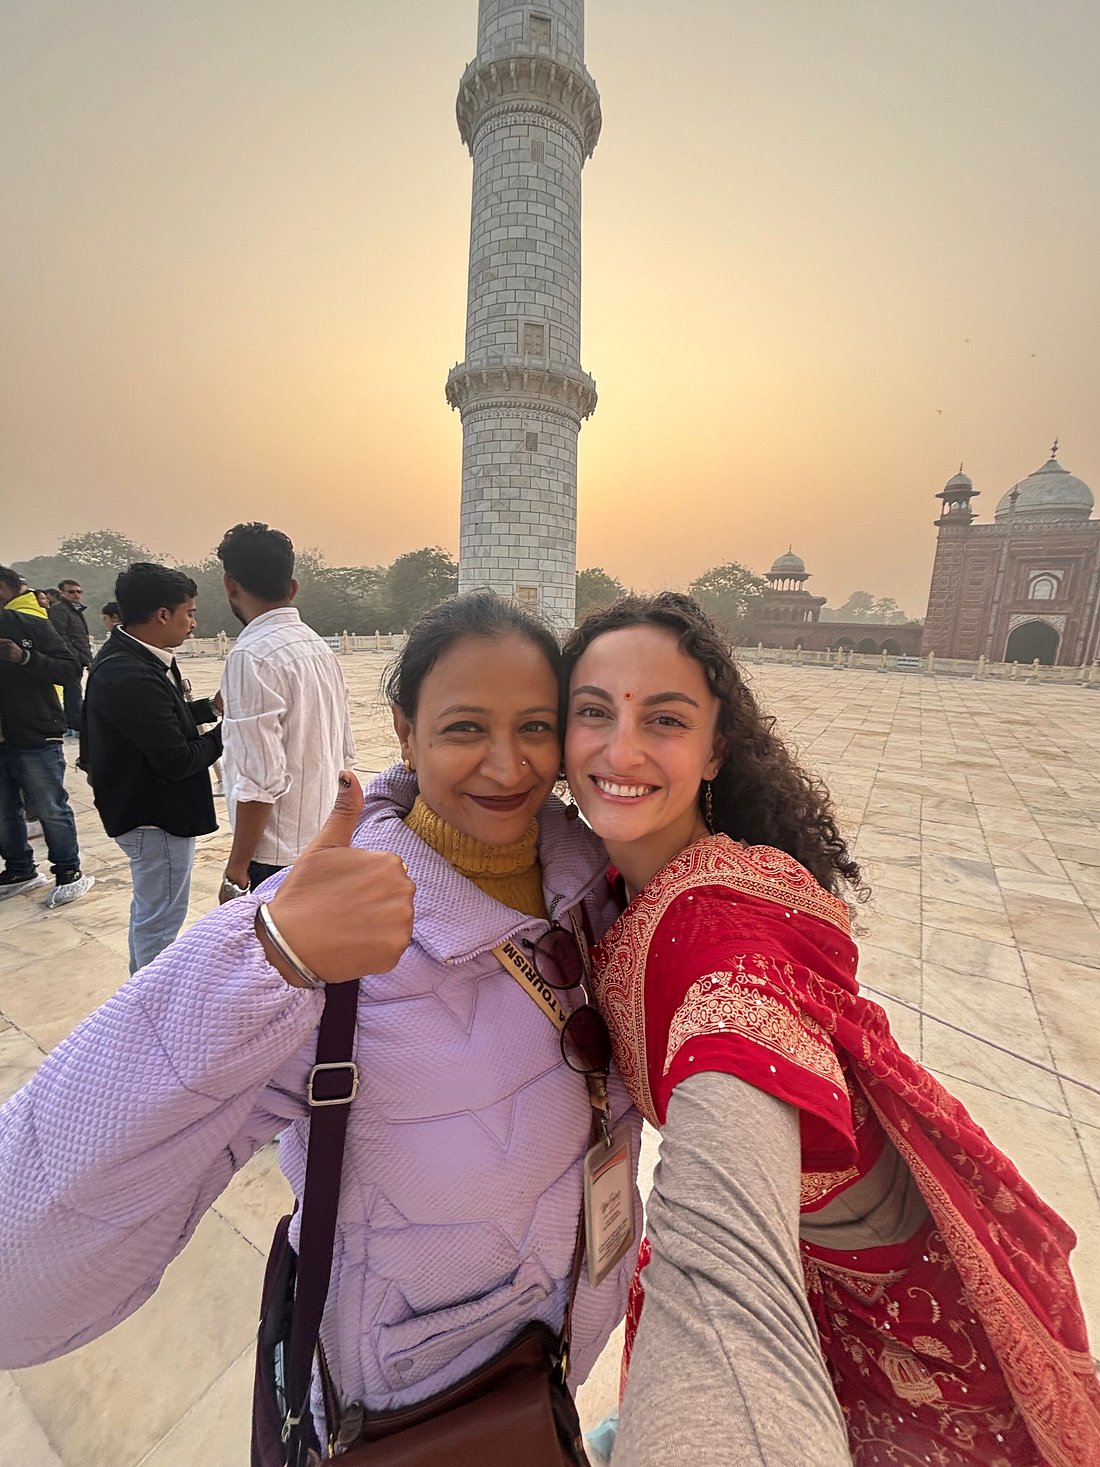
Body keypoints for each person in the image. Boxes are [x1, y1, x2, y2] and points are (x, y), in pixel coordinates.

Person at [0, 591, 641, 1456]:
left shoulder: (596, 882)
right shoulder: (328, 934)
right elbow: (29, 1242)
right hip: (409, 1399)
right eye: (463, 728)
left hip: (559, 1346)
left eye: (535, 726)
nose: (507, 763)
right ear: (405, 732)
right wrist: (266, 953)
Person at [561, 593, 1100, 1467]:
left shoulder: (720, 940)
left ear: (715, 750)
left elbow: (723, 1264)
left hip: (887, 1286)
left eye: (664, 718)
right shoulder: (622, 873)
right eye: (593, 712)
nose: (620, 750)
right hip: (822, 1253)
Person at [83, 562, 222, 972]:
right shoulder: (129, 674)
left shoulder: (132, 656)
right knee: (159, 923)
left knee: (150, 913)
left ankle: (139, 991)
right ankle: (150, 1010)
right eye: (189, 613)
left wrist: (209, 709)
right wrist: (230, 730)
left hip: (143, 807)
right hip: (155, 816)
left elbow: (156, 722)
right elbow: (177, 760)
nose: (193, 623)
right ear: (163, 614)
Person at [214, 520, 355, 899]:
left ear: (231, 585)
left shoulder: (250, 655)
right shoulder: (316, 646)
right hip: (321, 833)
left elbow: (259, 780)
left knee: (274, 954)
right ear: (291, 588)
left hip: (275, 853)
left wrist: (236, 870)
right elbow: (344, 749)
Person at [0, 567, 95, 906]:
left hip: (35, 733)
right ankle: (19, 869)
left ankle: (68, 870)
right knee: (4, 810)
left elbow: (70, 669)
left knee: (50, 807)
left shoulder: (31, 626)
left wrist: (24, 657)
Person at [48, 577, 93, 735]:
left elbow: (81, 637)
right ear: (62, 593)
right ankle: (75, 725)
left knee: (75, 690)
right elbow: (60, 634)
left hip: (79, 656)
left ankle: (72, 723)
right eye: (71, 591)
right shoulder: (59, 609)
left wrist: (87, 658)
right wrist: (74, 655)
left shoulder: (76, 610)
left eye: (79, 591)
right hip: (71, 658)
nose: (76, 595)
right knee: (73, 691)